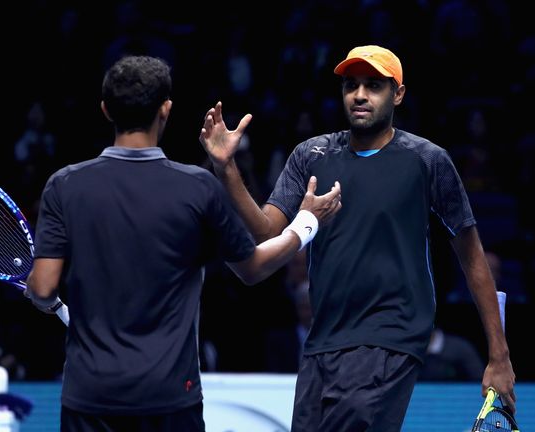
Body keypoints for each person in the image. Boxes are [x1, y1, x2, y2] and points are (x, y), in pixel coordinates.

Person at [199, 44, 516, 431]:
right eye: (351, 85)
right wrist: (226, 168)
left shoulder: (427, 160)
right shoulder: (309, 155)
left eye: (373, 85)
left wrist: (499, 356)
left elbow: (473, 259)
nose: (360, 95)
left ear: (397, 94)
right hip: (323, 341)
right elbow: (267, 231)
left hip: (391, 337)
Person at [25, 55, 342, 432]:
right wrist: (307, 222)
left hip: (90, 395)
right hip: (171, 396)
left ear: (106, 110)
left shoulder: (65, 185)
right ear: (166, 109)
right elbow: (254, 268)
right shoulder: (197, 187)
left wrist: (47, 301)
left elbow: (43, 288)